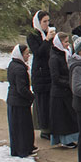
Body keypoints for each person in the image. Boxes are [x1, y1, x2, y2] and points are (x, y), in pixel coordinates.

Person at [48, 32, 79, 148]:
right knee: (63, 118)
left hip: (66, 91)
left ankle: (72, 138)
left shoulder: (66, 53)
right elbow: (55, 78)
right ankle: (65, 140)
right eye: (65, 42)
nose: (68, 44)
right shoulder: (55, 58)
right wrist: (69, 83)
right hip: (60, 93)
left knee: (69, 117)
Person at [6, 44, 36, 158]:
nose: (28, 56)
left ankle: (20, 148)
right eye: (26, 54)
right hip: (19, 102)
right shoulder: (19, 68)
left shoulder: (13, 64)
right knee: (22, 128)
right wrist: (31, 96)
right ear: (21, 55)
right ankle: (23, 150)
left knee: (18, 127)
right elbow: (21, 89)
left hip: (14, 100)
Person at [27, 11, 53, 139]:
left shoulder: (47, 34)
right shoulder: (33, 35)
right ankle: (44, 128)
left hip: (50, 71)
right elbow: (38, 52)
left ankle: (52, 126)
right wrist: (47, 40)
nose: (47, 24)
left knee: (50, 101)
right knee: (42, 102)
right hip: (40, 72)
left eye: (48, 21)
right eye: (44, 21)